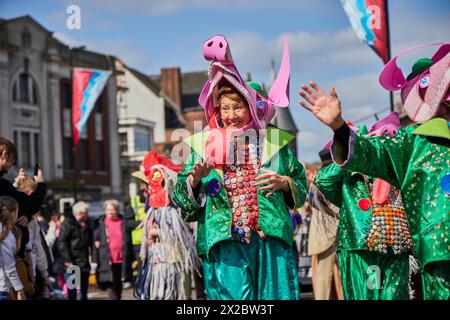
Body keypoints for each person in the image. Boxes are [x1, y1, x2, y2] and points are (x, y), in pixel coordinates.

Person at [299, 43, 450, 300]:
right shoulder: (410, 144)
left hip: (401, 251)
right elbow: (363, 157)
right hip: (424, 253)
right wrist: (340, 129)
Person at [173, 35, 307, 300]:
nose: (231, 114)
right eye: (225, 108)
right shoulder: (203, 147)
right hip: (225, 242)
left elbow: (300, 185)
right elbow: (181, 199)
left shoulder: (274, 145)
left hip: (270, 240)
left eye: (238, 107)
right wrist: (193, 182)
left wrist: (285, 183)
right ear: (217, 111)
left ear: (252, 109)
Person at [133, 151, 200, 300]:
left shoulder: (171, 209)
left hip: (174, 260)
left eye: (145, 184)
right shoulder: (154, 209)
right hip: (158, 261)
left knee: (179, 293)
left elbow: (179, 234)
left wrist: (157, 232)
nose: (143, 188)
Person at [306, 150, 343, 300]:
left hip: (325, 237)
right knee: (325, 281)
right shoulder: (325, 180)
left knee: (330, 280)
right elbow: (331, 207)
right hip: (328, 237)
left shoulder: (317, 180)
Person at [0, 138, 47, 224]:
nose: (11, 166)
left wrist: (27, 216)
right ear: (4, 155)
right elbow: (30, 205)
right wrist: (40, 184)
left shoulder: (4, 185)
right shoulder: (3, 185)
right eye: (13, 161)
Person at [58, 201, 92, 300]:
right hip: (71, 262)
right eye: (86, 213)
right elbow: (62, 242)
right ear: (79, 213)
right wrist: (68, 259)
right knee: (72, 290)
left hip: (84, 262)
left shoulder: (87, 223)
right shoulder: (68, 223)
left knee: (83, 290)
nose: (87, 215)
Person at [93, 199, 125, 300]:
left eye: (113, 210)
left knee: (119, 284)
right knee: (111, 285)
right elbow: (95, 240)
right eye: (108, 210)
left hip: (121, 258)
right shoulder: (100, 223)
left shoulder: (123, 222)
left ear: (117, 210)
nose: (110, 212)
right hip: (107, 258)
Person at [0, 196, 26, 300]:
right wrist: (20, 290)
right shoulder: (6, 234)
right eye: (18, 212)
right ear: (13, 213)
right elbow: (9, 267)